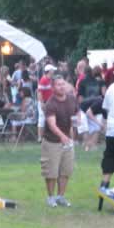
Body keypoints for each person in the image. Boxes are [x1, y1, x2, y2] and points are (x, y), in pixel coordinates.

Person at [40, 76, 78, 207]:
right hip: (52, 141)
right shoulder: (50, 104)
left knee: (66, 171)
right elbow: (52, 124)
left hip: (67, 141)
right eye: (58, 85)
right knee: (51, 172)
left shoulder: (72, 99)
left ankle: (60, 196)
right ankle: (50, 197)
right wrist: (62, 136)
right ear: (53, 87)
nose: (62, 87)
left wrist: (76, 123)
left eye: (63, 84)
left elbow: (75, 113)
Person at [37, 64, 57, 141]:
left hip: (49, 102)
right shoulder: (43, 80)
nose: (54, 72)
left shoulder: (50, 80)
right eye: (53, 70)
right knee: (42, 119)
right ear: (49, 71)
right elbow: (39, 92)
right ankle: (40, 137)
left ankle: (48, 136)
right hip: (44, 102)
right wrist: (42, 103)